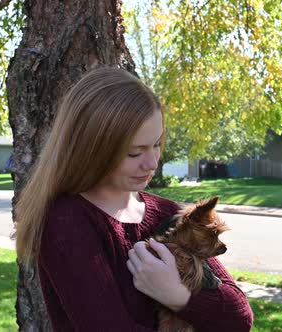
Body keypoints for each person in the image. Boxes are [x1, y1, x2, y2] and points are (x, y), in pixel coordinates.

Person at [15, 67, 253, 331]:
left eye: (156, 144)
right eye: (134, 152)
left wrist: (176, 296)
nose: (152, 163)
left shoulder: (168, 215)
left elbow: (239, 317)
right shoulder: (67, 223)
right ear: (92, 149)